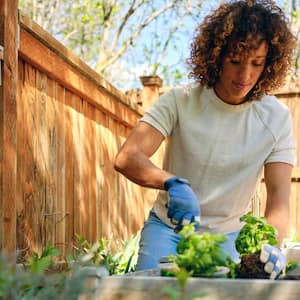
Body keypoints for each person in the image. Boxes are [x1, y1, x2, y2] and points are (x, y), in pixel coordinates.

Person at [114, 0, 297, 278]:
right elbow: (127, 157)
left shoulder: (276, 119)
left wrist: (271, 245)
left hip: (227, 239)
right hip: (168, 230)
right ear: (216, 56)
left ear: (268, 63)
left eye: (257, 63)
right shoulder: (181, 100)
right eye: (235, 61)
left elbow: (279, 198)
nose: (245, 75)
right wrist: (170, 182)